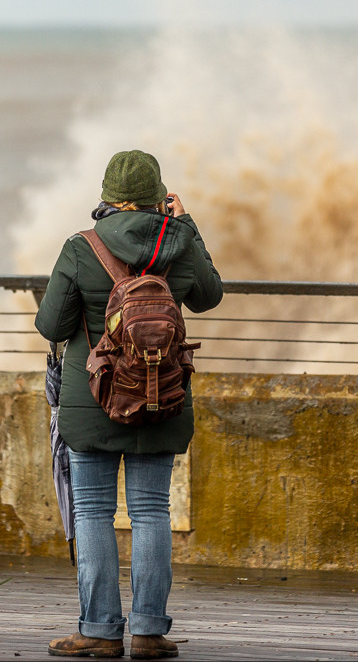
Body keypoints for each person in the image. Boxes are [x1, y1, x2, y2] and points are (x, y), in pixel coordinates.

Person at [36, 149, 224, 659]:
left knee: (94, 511)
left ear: (109, 198)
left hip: (91, 398)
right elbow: (209, 297)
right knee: (150, 511)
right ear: (156, 197)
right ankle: (147, 632)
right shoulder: (179, 245)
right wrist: (187, 225)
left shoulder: (82, 247)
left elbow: (51, 327)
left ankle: (98, 632)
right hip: (161, 395)